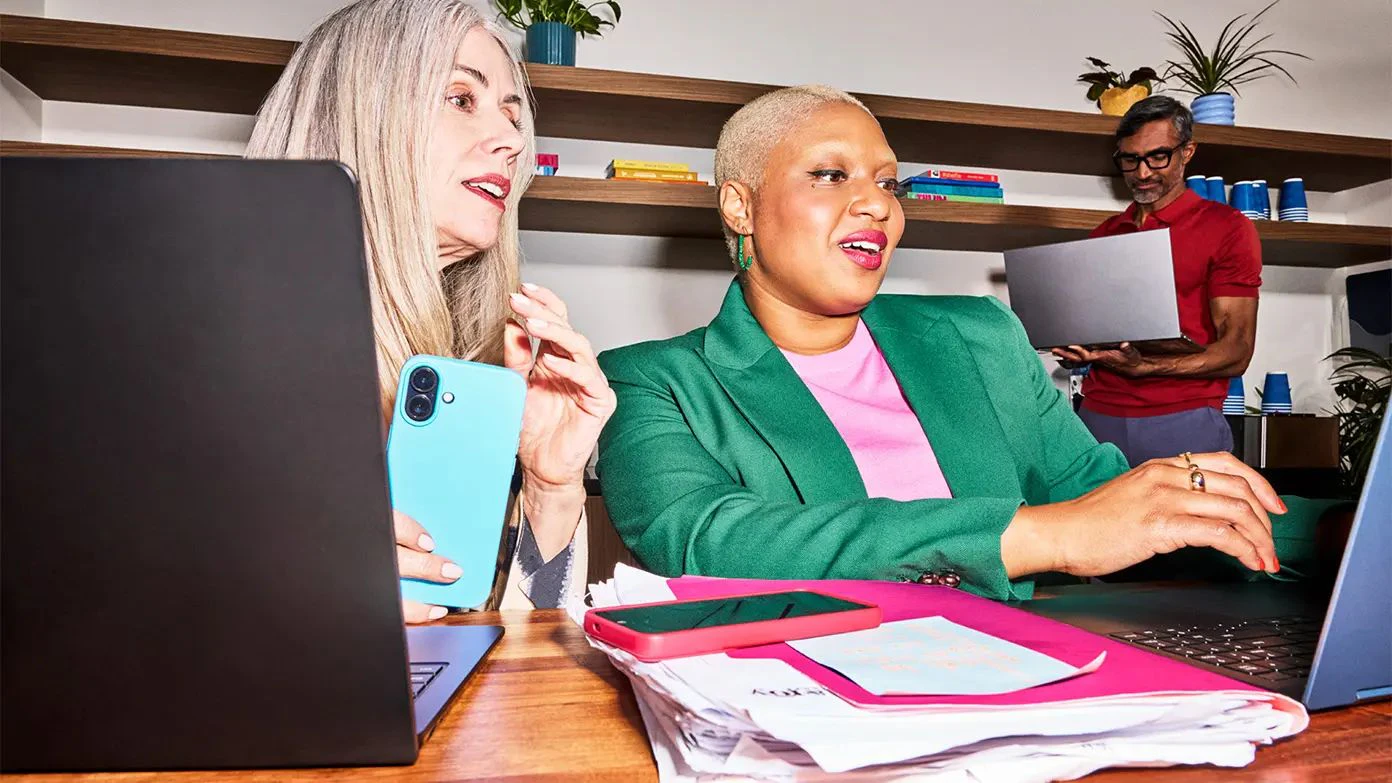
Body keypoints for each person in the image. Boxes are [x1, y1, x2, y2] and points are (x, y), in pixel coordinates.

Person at [595, 85, 1288, 601]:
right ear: (740, 206)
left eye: (887, 181)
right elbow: (709, 543)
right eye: (832, 174)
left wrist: (1329, 529)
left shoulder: (980, 332)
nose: (879, 204)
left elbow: (1096, 493)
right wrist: (1040, 536)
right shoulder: (649, 382)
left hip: (1030, 681)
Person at [246, 0, 615, 620]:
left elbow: (513, 654)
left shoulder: (464, 384)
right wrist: (289, 594)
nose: (513, 141)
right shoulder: (206, 365)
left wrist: (551, 489)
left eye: (511, 113)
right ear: (358, 116)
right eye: (461, 99)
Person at [1053, 96, 1261, 467]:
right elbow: (1097, 331)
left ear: (1187, 152)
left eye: (1158, 157)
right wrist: (1078, 351)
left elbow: (1237, 350)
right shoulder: (1103, 234)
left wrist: (1146, 367)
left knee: (1192, 525)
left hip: (1183, 419)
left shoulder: (1227, 227)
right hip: (1097, 417)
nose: (1143, 173)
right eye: (1130, 159)